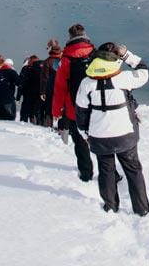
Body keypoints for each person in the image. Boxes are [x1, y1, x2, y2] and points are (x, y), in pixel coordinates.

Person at [75, 42, 149, 216]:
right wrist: (127, 55)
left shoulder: (86, 83)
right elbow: (146, 72)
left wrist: (84, 134)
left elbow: (81, 113)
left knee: (106, 170)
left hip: (99, 137)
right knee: (133, 170)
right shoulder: (123, 79)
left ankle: (110, 206)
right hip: (125, 135)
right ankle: (141, 209)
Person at [52, 23, 95, 181]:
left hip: (74, 108)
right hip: (96, 105)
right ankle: (112, 173)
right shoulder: (95, 53)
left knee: (80, 142)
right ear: (85, 34)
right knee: (101, 140)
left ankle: (86, 173)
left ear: (70, 37)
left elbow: (60, 88)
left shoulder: (66, 59)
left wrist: (56, 111)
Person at [38, 39, 62, 127]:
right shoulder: (63, 59)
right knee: (62, 109)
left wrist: (42, 92)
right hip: (62, 88)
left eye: (47, 47)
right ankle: (62, 129)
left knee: (49, 108)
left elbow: (44, 78)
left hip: (50, 88)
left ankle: (49, 127)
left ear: (50, 48)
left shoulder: (47, 62)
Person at [17, 55, 42, 123]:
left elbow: (21, 83)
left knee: (25, 113)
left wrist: (18, 97)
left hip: (28, 95)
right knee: (37, 113)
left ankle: (24, 125)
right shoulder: (42, 68)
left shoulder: (26, 69)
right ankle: (38, 125)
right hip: (39, 95)